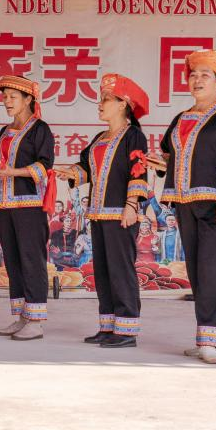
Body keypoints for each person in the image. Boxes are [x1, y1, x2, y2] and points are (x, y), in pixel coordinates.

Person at [148, 50, 216, 364]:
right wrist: (158, 163)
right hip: (184, 203)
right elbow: (170, 156)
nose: (197, 79)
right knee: (195, 270)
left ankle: (206, 340)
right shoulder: (180, 119)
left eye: (205, 74)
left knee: (209, 269)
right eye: (193, 74)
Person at [59, 73, 151, 349]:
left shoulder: (133, 136)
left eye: (106, 100)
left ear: (123, 104)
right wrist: (71, 173)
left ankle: (127, 329)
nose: (100, 104)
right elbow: (87, 168)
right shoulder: (100, 138)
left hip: (121, 214)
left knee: (121, 270)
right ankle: (108, 326)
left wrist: (132, 205)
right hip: (98, 214)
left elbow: (138, 171)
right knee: (103, 271)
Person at [0, 73, 54, 340]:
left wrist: (11, 172)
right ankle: (21, 316)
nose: (7, 101)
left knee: (32, 260)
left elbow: (44, 166)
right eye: (5, 97)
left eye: (13, 97)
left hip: (30, 206)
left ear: (28, 99)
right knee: (13, 261)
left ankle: (36, 320)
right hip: (5, 205)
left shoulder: (40, 129)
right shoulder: (5, 131)